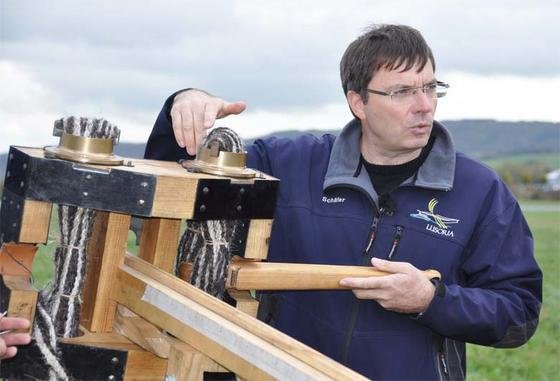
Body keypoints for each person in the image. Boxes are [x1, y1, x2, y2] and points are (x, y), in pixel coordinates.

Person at [145, 24, 542, 380]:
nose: (424, 105)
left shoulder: (480, 190)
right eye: (402, 91)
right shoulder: (289, 165)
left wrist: (430, 300)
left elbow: (518, 313)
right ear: (358, 102)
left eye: (429, 87)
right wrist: (182, 106)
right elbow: (168, 187)